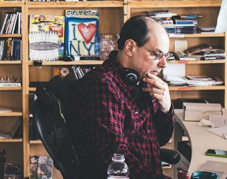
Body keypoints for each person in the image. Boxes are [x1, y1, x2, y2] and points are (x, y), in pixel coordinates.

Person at [69, 15, 173, 179]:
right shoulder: (102, 86)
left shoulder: (142, 81)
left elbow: (158, 139)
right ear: (130, 47)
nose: (163, 64)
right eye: (157, 54)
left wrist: (166, 109)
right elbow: (116, 156)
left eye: (166, 56)